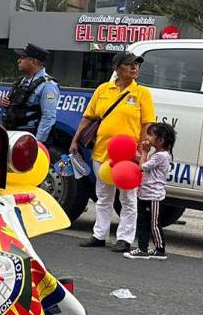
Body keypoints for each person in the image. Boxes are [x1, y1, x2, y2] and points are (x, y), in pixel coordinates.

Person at [70, 51, 156, 252]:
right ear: (117, 68)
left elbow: (147, 124)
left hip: (128, 156)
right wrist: (75, 140)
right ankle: (99, 235)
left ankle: (125, 239)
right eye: (129, 64)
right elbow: (88, 117)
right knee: (103, 196)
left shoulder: (142, 93)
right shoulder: (103, 89)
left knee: (128, 198)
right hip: (102, 152)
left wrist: (141, 150)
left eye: (137, 64)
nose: (135, 67)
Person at [126, 122, 175, 260]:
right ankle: (143, 248)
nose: (147, 137)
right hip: (145, 193)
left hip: (153, 196)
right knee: (143, 222)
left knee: (153, 224)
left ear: (161, 140)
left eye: (150, 135)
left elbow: (142, 167)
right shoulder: (157, 154)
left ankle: (160, 250)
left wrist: (145, 152)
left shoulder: (161, 156)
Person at [2, 43, 60, 143]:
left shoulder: (48, 85)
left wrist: (37, 143)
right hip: (14, 135)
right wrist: (6, 103)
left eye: (22, 58)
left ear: (33, 61)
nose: (18, 61)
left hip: (29, 138)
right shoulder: (21, 81)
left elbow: (48, 118)